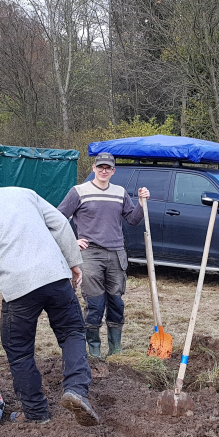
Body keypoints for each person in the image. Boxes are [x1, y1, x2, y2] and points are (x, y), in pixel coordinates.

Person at [0, 164, 99, 426]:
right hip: (56, 277)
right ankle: (76, 389)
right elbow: (60, 225)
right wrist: (74, 262)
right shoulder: (23, 193)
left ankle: (36, 413)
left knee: (20, 351)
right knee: (72, 333)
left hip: (19, 290)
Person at [58, 152, 149, 358]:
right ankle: (94, 350)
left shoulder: (120, 192)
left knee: (116, 302)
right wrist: (72, 241)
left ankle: (115, 350)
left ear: (113, 171)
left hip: (116, 253)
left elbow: (133, 220)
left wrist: (142, 204)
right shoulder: (79, 191)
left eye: (108, 168)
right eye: (100, 167)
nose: (104, 171)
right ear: (93, 168)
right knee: (95, 303)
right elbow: (58, 218)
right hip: (90, 254)